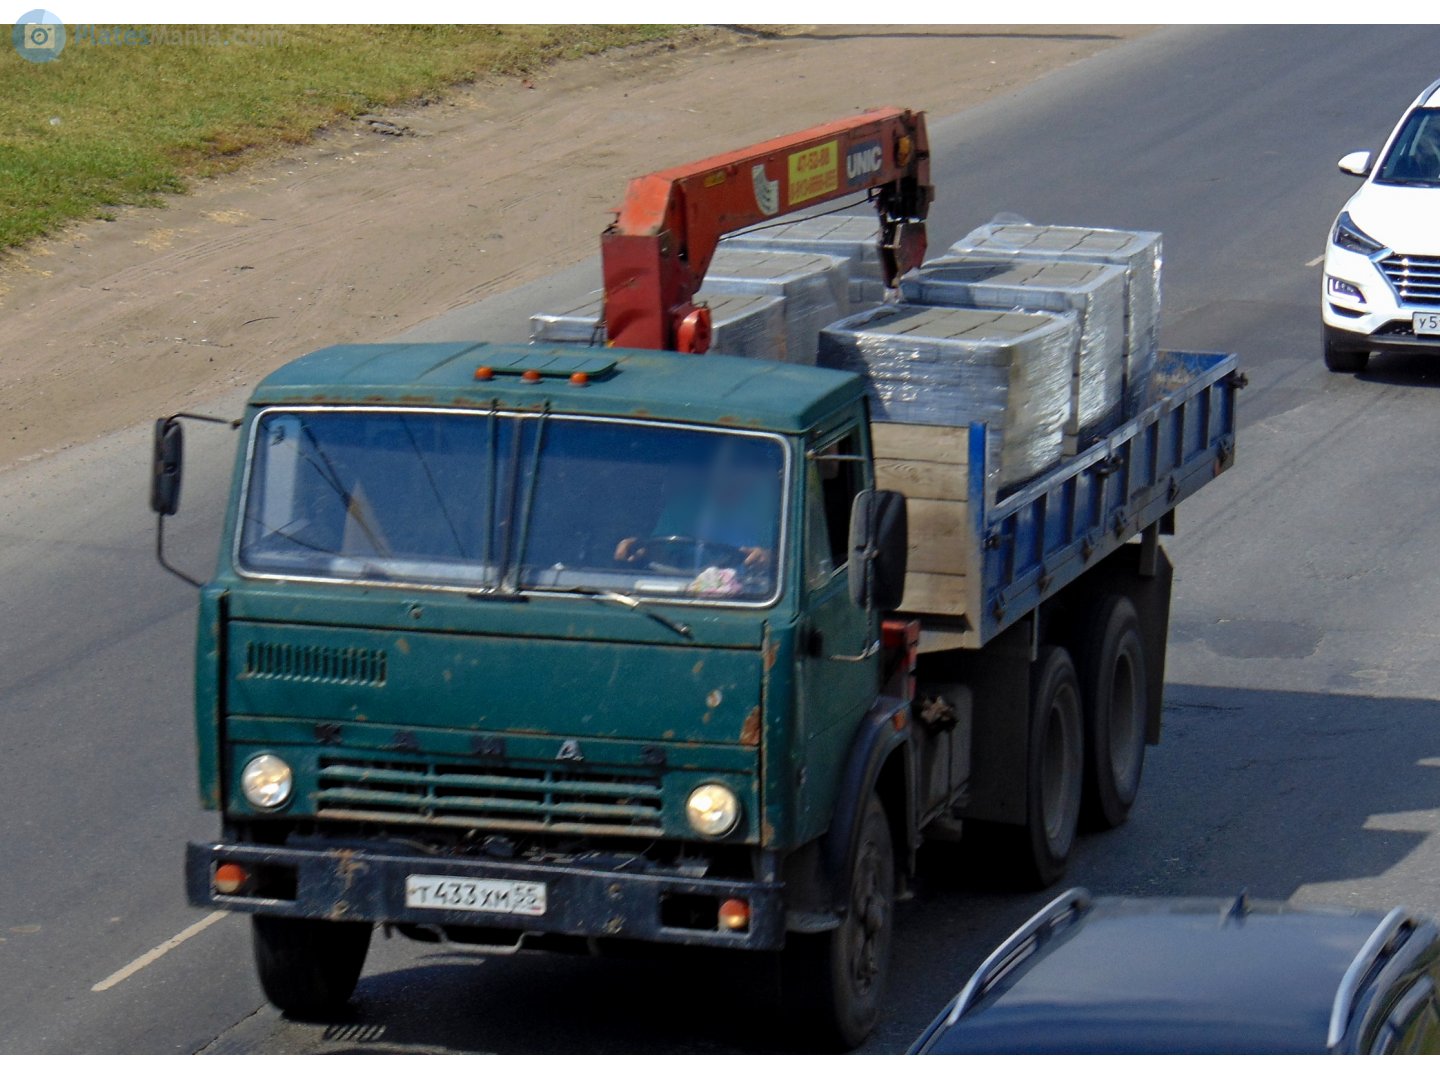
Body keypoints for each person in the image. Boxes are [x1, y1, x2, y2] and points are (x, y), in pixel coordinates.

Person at [613, 436, 781, 572]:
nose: (729, 472)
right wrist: (639, 549)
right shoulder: (684, 503)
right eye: (722, 462)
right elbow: (661, 553)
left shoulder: (770, 504)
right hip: (683, 594)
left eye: (739, 463)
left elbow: (780, 558)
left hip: (748, 598)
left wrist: (766, 558)